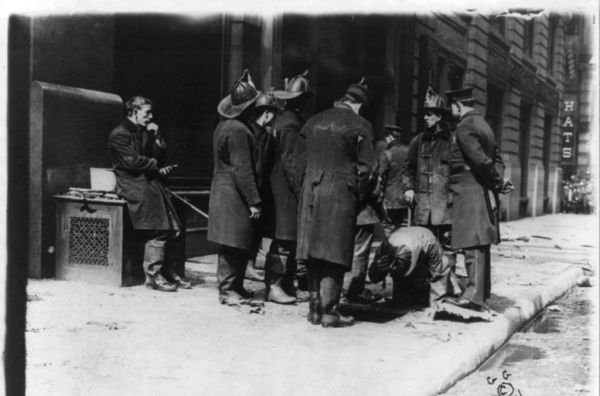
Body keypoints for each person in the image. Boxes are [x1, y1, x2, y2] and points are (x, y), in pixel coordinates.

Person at [295, 77, 375, 327]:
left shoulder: (312, 121)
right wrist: (357, 197)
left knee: (313, 253)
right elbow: (367, 170)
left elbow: (297, 164)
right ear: (359, 105)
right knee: (333, 253)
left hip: (311, 190)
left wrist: (305, 189)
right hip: (341, 193)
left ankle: (315, 310)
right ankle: (330, 311)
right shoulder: (360, 125)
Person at [108, 96, 191, 292]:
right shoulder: (120, 134)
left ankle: (169, 272)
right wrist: (156, 166)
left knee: (175, 228)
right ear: (133, 112)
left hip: (149, 184)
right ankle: (153, 276)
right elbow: (131, 162)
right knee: (160, 228)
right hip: (133, 186)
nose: (151, 117)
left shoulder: (144, 132)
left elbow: (158, 156)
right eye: (147, 113)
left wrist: (157, 137)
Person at [444, 87, 513, 313]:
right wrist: (498, 181)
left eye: (451, 107)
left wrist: (497, 182)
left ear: (457, 105)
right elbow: (497, 159)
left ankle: (473, 296)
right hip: (481, 189)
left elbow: (480, 161)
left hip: (469, 188)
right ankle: (482, 292)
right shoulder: (484, 125)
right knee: (480, 243)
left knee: (472, 242)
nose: (451, 112)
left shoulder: (465, 126)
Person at [208, 70, 264, 306]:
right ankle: (228, 290)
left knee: (237, 241)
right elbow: (243, 169)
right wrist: (254, 200)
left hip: (224, 191)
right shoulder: (239, 131)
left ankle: (235, 287)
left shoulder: (224, 126)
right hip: (235, 195)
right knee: (233, 243)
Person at [259, 70, 313, 304]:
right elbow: (292, 163)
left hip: (277, 188)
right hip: (285, 193)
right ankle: (275, 286)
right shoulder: (291, 124)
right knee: (284, 240)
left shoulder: (282, 120)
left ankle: (286, 284)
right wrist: (302, 191)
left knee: (287, 240)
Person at [399, 86, 454, 306]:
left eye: (429, 113)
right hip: (422, 207)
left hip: (445, 208)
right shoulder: (418, 141)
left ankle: (442, 294)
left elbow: (459, 172)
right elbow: (407, 168)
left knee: (445, 252)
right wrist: (409, 188)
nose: (425, 117)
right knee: (422, 250)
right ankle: (420, 294)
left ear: (440, 116)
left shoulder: (453, 141)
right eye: (425, 113)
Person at [367, 226, 454, 308]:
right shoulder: (385, 247)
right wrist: (379, 268)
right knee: (401, 302)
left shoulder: (430, 244)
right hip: (405, 242)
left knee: (426, 299)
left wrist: (437, 301)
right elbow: (374, 278)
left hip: (424, 241)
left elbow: (441, 272)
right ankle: (410, 287)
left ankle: (422, 287)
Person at [378, 124, 410, 237]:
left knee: (388, 225)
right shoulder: (409, 150)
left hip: (390, 196)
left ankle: (391, 249)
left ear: (390, 137)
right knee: (405, 224)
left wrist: (378, 194)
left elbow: (380, 176)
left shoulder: (387, 153)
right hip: (407, 195)